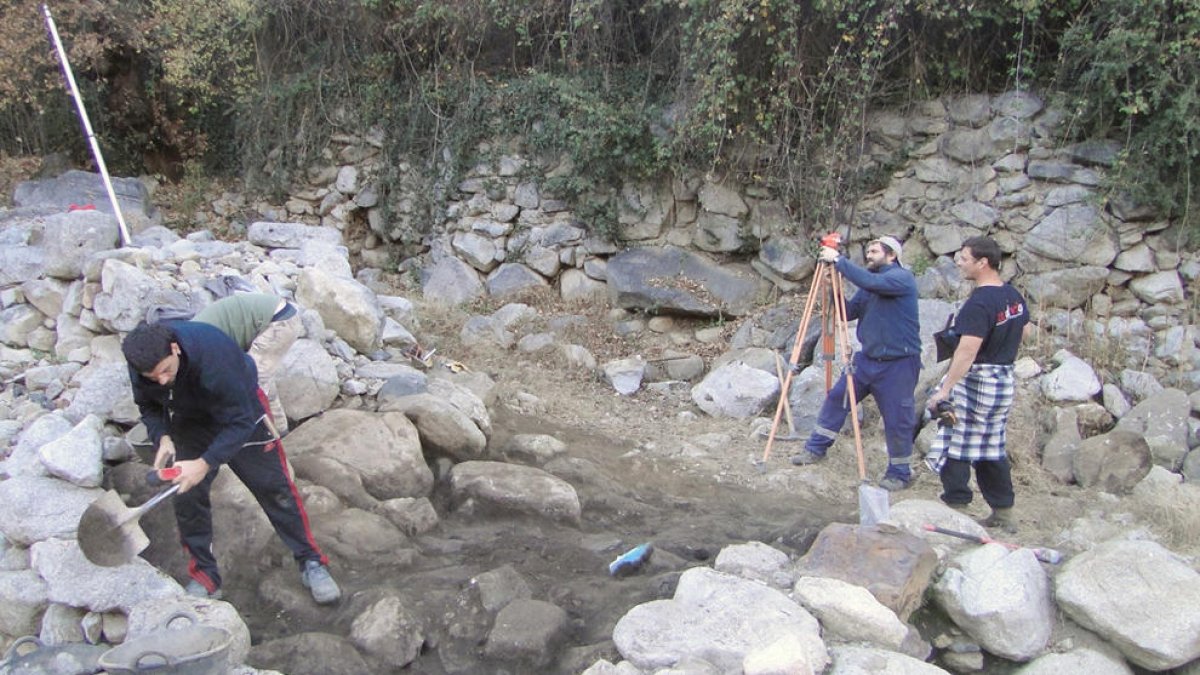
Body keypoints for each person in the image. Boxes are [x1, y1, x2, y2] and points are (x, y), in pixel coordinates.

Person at [122, 320, 341, 604]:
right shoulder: (143, 363)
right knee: (186, 495)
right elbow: (148, 406)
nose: (161, 380)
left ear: (175, 349)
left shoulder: (214, 354)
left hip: (240, 411)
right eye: (153, 377)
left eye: (166, 371)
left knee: (274, 488)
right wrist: (162, 436)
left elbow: (240, 422)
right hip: (191, 420)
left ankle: (311, 561)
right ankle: (205, 576)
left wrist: (204, 464)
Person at [791, 235, 922, 491]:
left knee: (897, 418)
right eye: (868, 251)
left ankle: (899, 473)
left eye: (874, 251)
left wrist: (838, 260)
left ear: (891, 255)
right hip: (867, 360)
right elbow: (847, 313)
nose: (869, 255)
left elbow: (870, 280)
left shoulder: (900, 279)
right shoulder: (871, 287)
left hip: (899, 363)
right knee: (837, 397)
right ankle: (816, 448)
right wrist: (833, 289)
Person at [925, 236, 1030, 533]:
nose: (959, 263)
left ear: (983, 262)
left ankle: (955, 503)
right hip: (1003, 379)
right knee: (991, 444)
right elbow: (1026, 333)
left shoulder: (979, 302)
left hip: (978, 379)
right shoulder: (1012, 295)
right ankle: (1003, 511)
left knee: (953, 438)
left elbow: (967, 350)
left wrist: (945, 389)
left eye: (964, 258)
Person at [194, 292, 300, 434]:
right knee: (264, 379)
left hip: (278, 322)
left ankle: (265, 438)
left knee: (254, 383)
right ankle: (281, 430)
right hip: (276, 315)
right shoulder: (188, 339)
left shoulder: (198, 348)